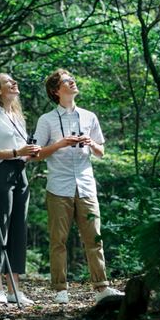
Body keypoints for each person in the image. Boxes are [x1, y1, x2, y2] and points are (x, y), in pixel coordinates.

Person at [34, 69, 123, 304]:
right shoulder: (47, 120)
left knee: (94, 238)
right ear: (56, 90)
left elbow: (101, 152)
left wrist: (90, 143)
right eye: (66, 80)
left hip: (85, 184)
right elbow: (36, 155)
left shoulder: (89, 116)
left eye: (72, 79)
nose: (72, 82)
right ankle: (60, 289)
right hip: (58, 186)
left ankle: (102, 287)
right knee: (58, 240)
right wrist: (61, 143)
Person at [0, 73, 40, 306]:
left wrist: (28, 154)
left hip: (20, 172)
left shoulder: (17, 116)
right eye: (8, 82)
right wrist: (17, 152)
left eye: (14, 81)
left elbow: (21, 149)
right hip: (0, 171)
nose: (14, 83)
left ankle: (15, 288)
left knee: (18, 229)